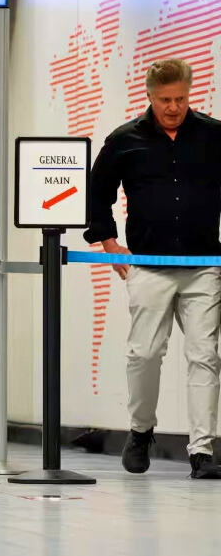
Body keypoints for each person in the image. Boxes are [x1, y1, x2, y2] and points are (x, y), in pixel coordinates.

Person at [85, 58, 221, 480]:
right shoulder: (125, 139)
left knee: (205, 355)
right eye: (165, 100)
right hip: (147, 264)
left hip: (203, 265)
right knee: (144, 353)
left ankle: (201, 450)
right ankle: (141, 431)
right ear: (149, 96)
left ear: (189, 94)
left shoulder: (214, 136)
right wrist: (108, 243)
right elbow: (97, 193)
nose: (173, 107)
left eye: (180, 99)